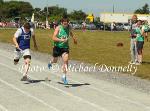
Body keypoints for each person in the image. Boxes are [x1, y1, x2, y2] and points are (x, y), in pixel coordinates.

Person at [48, 16, 77, 85]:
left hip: (65, 47)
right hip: (57, 47)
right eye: (64, 23)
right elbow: (53, 38)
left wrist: (74, 38)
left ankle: (64, 77)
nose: (65, 25)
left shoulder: (69, 27)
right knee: (55, 60)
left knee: (66, 60)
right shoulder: (58, 28)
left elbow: (70, 33)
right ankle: (50, 62)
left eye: (66, 23)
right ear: (61, 23)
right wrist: (62, 40)